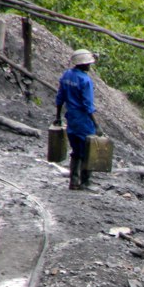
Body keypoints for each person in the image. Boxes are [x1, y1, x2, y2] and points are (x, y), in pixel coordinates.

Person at [55, 49, 101, 191]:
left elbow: (60, 97)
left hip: (71, 118)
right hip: (83, 120)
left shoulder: (67, 75)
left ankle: (74, 181)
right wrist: (96, 124)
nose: (90, 66)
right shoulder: (85, 80)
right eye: (88, 63)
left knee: (76, 150)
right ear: (83, 65)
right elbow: (88, 105)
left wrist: (57, 117)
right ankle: (86, 182)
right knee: (88, 150)